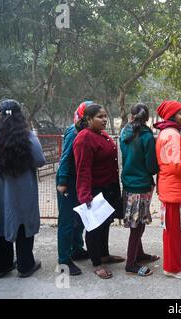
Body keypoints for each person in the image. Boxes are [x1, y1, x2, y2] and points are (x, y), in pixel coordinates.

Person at [0, 99, 46, 279]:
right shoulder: (28, 137)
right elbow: (39, 160)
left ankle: (0, 267)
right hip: (22, 191)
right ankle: (25, 266)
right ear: (20, 115)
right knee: (22, 222)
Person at [73, 103, 125, 279]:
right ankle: (96, 263)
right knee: (94, 228)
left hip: (108, 188)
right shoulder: (84, 138)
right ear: (88, 119)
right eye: (99, 117)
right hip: (95, 190)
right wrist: (85, 195)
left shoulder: (101, 134)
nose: (104, 120)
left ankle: (104, 254)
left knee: (105, 223)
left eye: (105, 116)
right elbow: (83, 169)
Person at [154, 100, 181, 280]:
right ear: (171, 116)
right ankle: (171, 267)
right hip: (173, 191)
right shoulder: (171, 135)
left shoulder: (170, 133)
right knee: (172, 232)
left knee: (179, 229)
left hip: (176, 190)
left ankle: (177, 260)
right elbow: (176, 167)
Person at [120, 103, 159, 276]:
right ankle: (131, 263)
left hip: (128, 184)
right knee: (137, 226)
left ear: (131, 115)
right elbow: (151, 167)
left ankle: (139, 254)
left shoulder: (124, 133)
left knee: (138, 223)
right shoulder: (147, 137)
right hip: (142, 185)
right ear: (147, 118)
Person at [56, 101, 92, 276]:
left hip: (78, 180)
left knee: (78, 217)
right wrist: (62, 182)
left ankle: (77, 248)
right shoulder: (73, 131)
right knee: (67, 221)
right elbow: (65, 158)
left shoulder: (86, 131)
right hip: (68, 181)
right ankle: (64, 260)